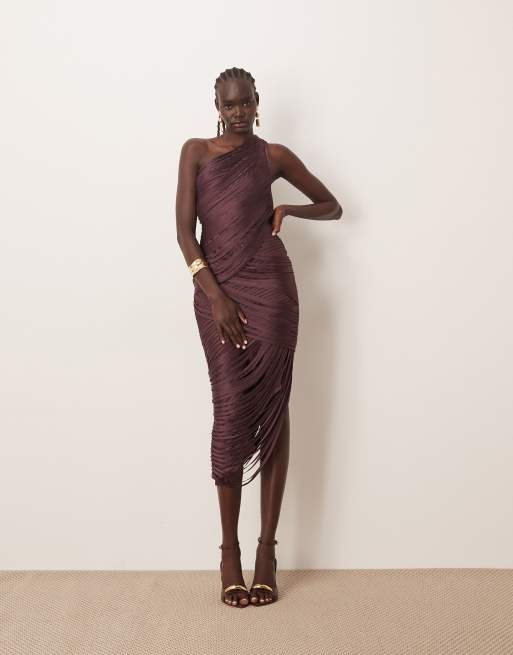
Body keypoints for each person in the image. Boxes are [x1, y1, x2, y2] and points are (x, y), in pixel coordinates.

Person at [175, 67, 342, 608]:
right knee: (230, 411)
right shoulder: (195, 152)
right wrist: (216, 297)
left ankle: (267, 553)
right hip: (216, 292)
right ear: (216, 106)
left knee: (273, 409)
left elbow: (333, 205)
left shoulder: (273, 156)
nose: (239, 112)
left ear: (257, 101)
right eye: (230, 104)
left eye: (246, 102)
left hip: (271, 289)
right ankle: (230, 554)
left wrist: (289, 207)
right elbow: (184, 234)